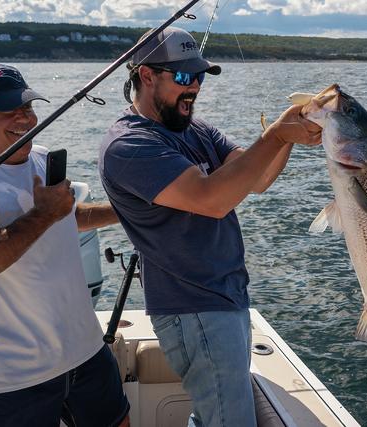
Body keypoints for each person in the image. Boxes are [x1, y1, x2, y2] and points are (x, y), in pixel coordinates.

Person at [99, 27, 321, 427]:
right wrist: (275, 134)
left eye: (200, 76)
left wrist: (290, 133)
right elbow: (211, 200)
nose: (195, 87)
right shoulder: (129, 145)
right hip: (193, 309)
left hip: (226, 295)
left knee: (214, 417)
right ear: (146, 76)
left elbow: (257, 178)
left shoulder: (195, 130)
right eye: (183, 77)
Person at [0, 64, 130, 427]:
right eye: (8, 108)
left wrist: (130, 211)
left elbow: (68, 216)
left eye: (28, 106)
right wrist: (44, 214)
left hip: (86, 352)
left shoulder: (40, 158)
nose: (24, 117)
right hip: (13, 377)